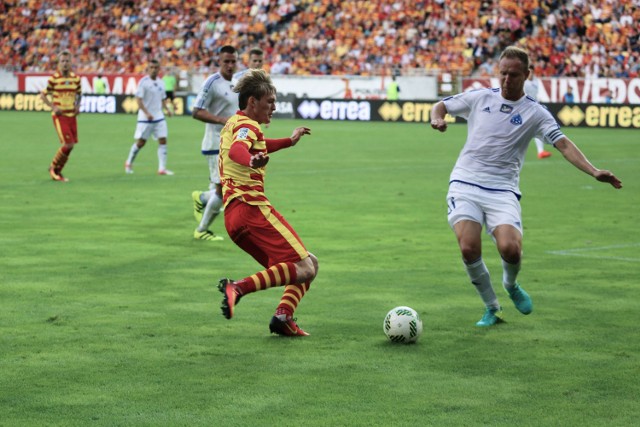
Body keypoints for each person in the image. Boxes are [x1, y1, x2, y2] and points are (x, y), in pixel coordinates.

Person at [430, 46, 622, 327]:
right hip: (465, 183)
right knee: (469, 247)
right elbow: (442, 104)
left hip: (503, 189)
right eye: (503, 74)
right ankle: (492, 307)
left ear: (527, 75)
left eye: (514, 75)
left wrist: (593, 171)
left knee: (511, 249)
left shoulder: (536, 113)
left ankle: (511, 285)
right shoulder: (481, 97)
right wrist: (437, 118)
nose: (507, 80)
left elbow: (563, 144)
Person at [217, 69, 316, 337]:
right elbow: (241, 149)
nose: (274, 107)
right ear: (253, 102)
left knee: (299, 268)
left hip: (233, 219)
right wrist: (249, 160)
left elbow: (255, 144)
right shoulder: (248, 126)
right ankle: (237, 288)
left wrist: (288, 141)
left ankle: (282, 318)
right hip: (252, 210)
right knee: (307, 266)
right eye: (270, 101)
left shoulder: (235, 122)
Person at [190, 45, 239, 242]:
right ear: (219, 61)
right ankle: (201, 229)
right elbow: (196, 111)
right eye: (226, 61)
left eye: (233, 61)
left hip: (231, 143)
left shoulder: (235, 83)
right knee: (222, 189)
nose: (229, 65)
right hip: (215, 143)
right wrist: (221, 121)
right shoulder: (211, 83)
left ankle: (202, 198)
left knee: (224, 188)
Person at [125, 59, 174, 175]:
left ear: (159, 69)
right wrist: (147, 113)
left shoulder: (161, 82)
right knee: (141, 142)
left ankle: (162, 169)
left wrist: (167, 110)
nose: (153, 69)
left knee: (163, 140)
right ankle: (128, 162)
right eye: (151, 67)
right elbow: (138, 100)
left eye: (156, 67)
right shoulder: (143, 82)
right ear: (148, 69)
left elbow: (162, 99)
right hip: (145, 118)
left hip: (159, 117)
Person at [40, 50, 82, 182]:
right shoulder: (54, 79)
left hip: (71, 115)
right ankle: (53, 167)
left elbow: (79, 93)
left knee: (71, 145)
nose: (65, 63)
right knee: (68, 144)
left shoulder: (76, 79)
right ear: (59, 63)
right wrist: (53, 107)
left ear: (71, 63)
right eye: (62, 61)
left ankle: (58, 171)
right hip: (60, 116)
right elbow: (43, 95)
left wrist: (77, 106)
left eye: (67, 61)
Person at [523, 65, 552, 159]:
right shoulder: (524, 82)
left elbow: (535, 95)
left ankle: (541, 152)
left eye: (532, 72)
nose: (530, 74)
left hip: (534, 108)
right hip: (525, 109)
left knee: (536, 129)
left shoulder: (536, 80)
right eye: (529, 72)